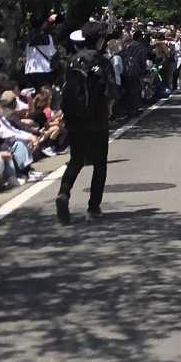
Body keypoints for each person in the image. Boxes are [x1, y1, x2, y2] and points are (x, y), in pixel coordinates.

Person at [56, 24, 115, 224]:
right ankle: (93, 207)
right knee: (100, 164)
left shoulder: (72, 62)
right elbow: (112, 91)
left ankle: (63, 193)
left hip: (75, 120)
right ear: (99, 40)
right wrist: (109, 109)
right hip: (97, 120)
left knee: (76, 159)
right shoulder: (103, 62)